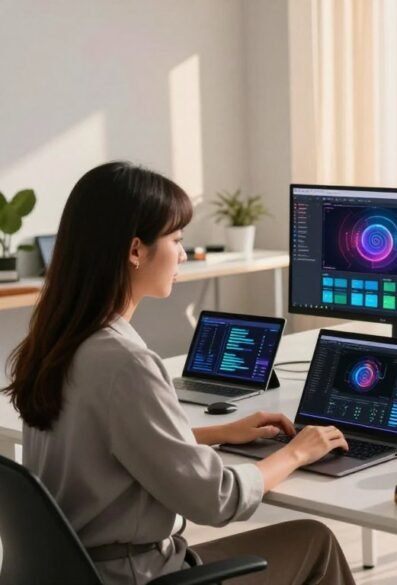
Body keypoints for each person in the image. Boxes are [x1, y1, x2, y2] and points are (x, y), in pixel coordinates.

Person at [2, 162, 356, 585]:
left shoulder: (56, 342)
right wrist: (298, 451)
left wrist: (214, 433)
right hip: (135, 576)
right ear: (135, 250)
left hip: (72, 571)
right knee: (314, 540)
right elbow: (216, 500)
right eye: (176, 239)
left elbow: (102, 445)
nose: (184, 254)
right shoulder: (126, 362)